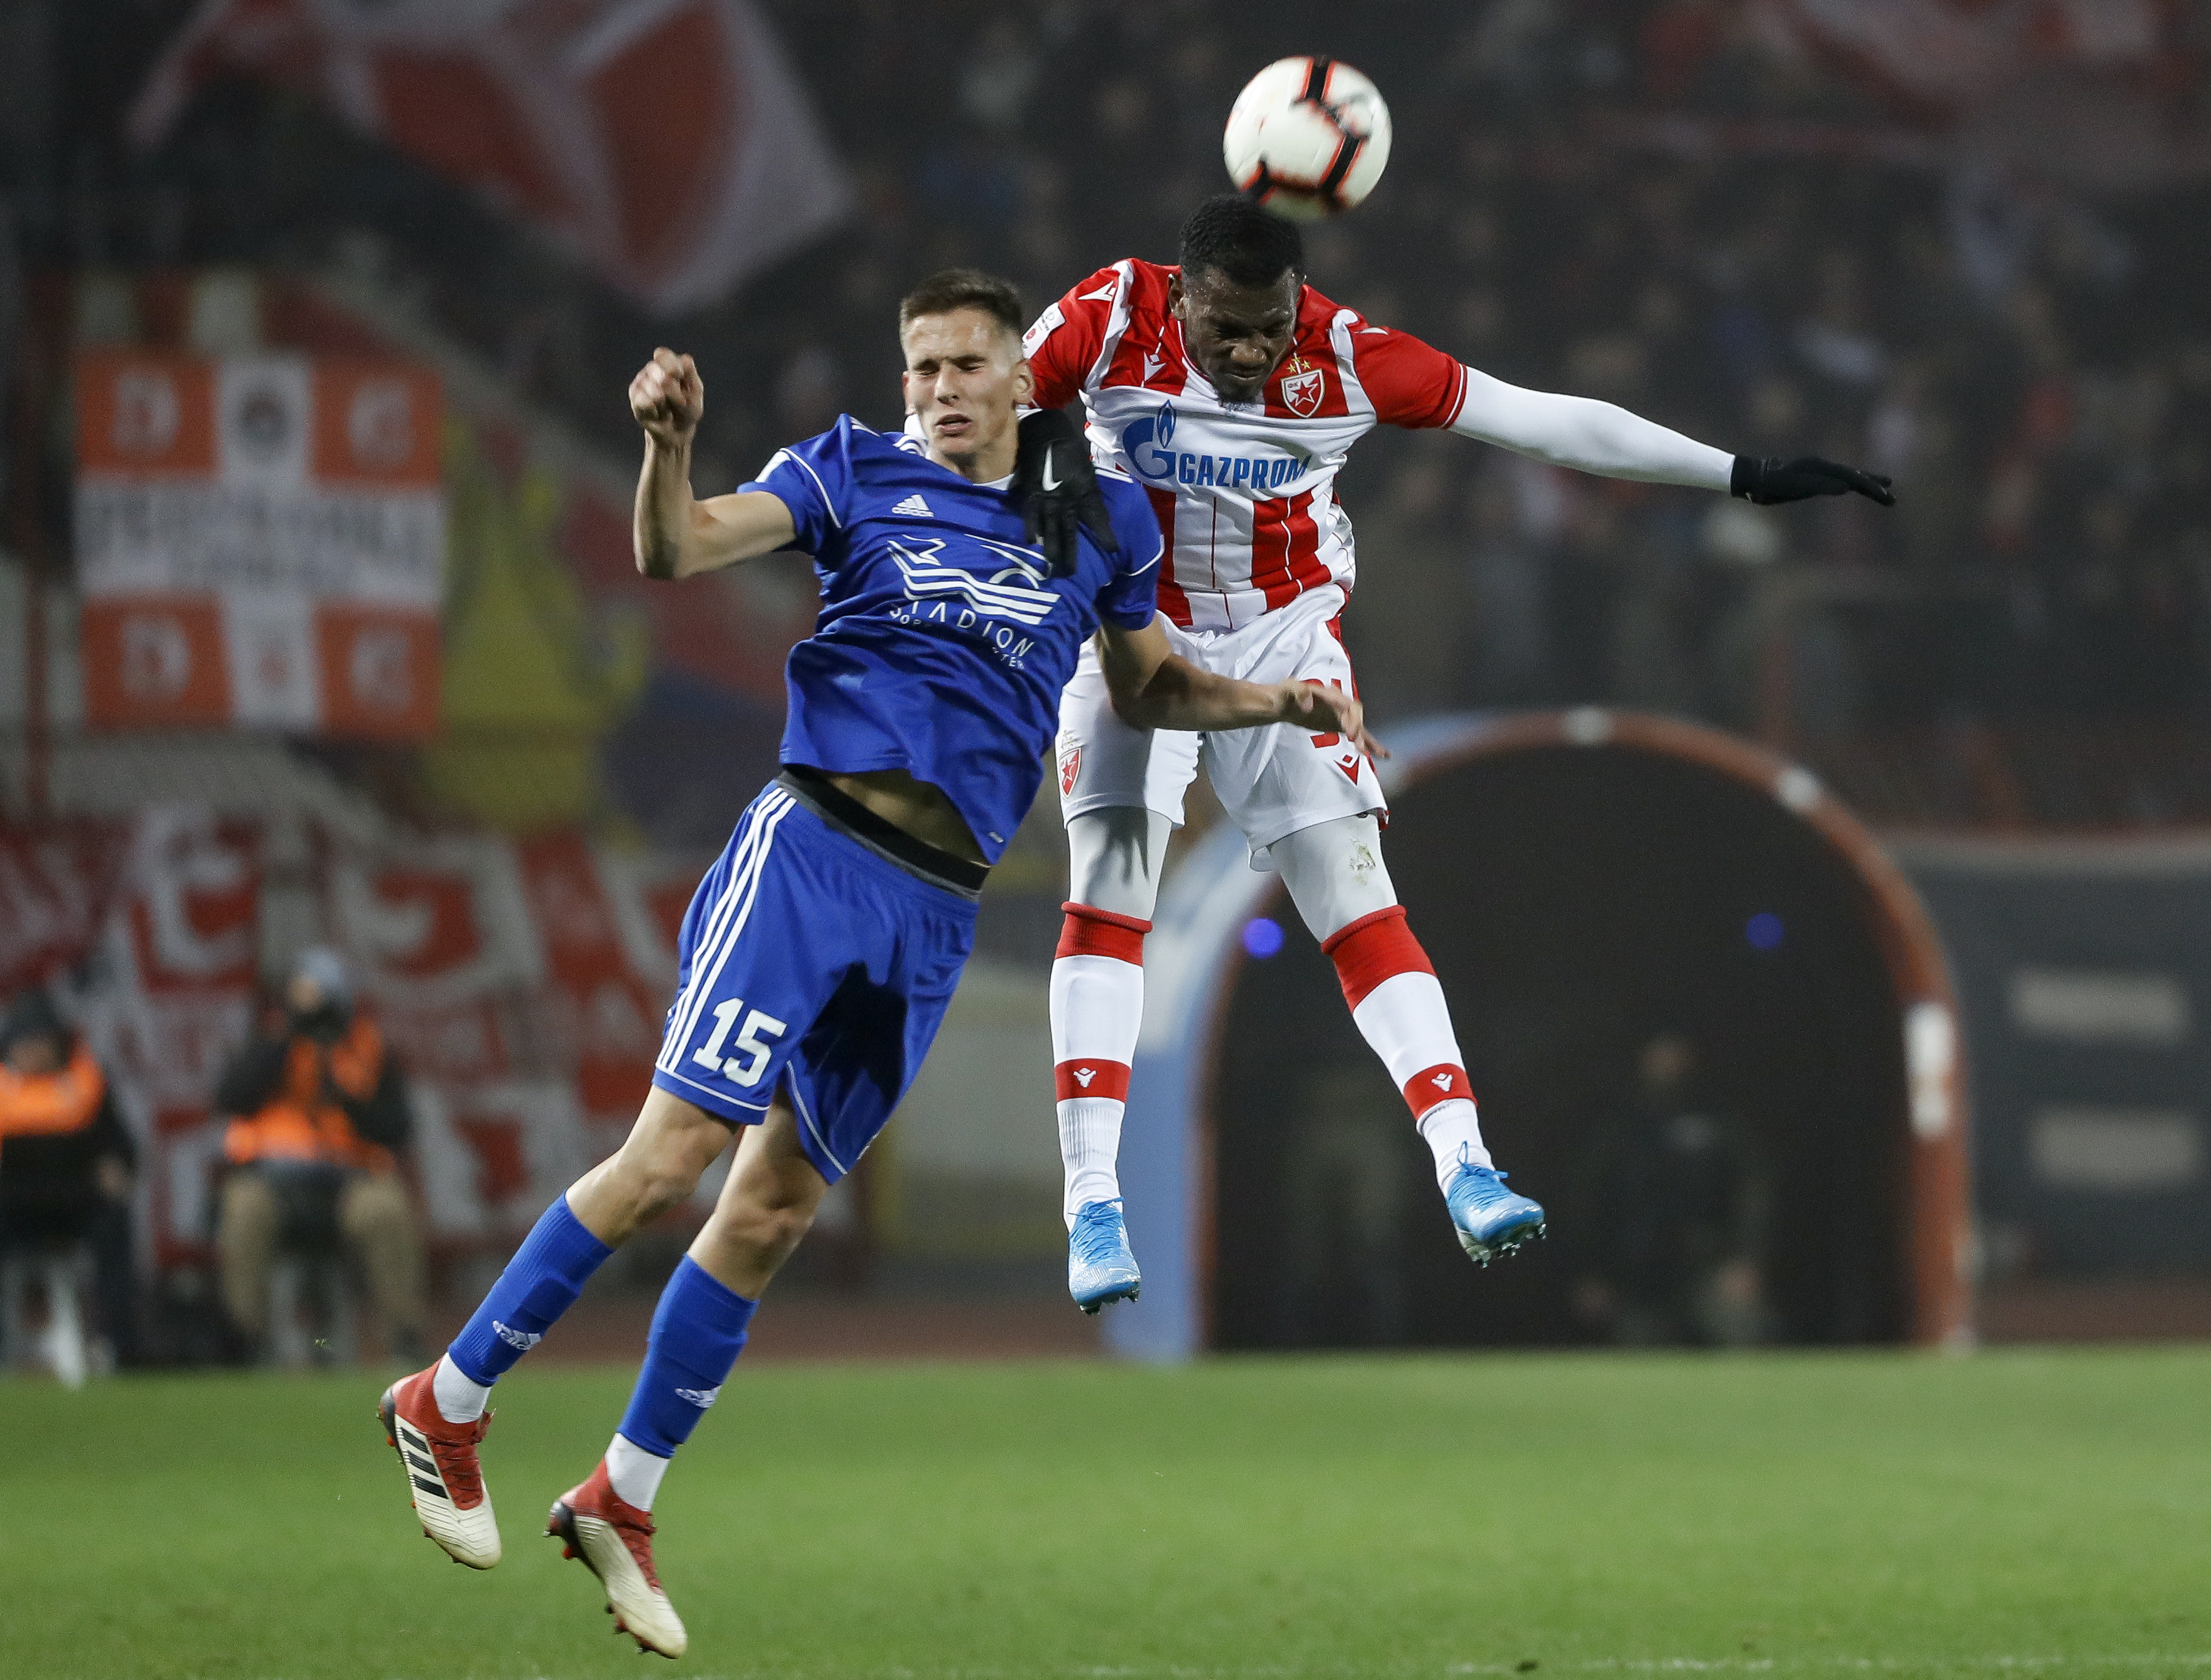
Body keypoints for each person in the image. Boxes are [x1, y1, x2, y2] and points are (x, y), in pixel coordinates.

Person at [375, 267, 1374, 1659]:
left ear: (1024, 377)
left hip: (937, 906)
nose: (938, 392)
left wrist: (1284, 693)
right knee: (674, 1155)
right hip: (814, 852)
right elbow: (679, 552)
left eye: (964, 366)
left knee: (775, 1207)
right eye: (920, 369)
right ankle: (451, 1395)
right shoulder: (849, 470)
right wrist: (668, 449)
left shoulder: (1095, 516)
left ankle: (624, 1494)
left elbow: (1148, 683)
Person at [1023, 195, 1894, 1311]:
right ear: (1181, 294)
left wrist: (1739, 472)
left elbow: (1544, 422)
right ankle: (1091, 1199)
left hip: (1282, 640)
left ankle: (1463, 1159)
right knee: (1108, 890)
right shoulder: (1108, 312)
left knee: (1356, 900)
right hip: (1129, 632)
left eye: (1269, 323)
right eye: (1225, 328)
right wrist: (1045, 472)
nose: (1250, 350)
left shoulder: (1345, 354)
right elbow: (1001, 400)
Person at [212, 947, 427, 1363]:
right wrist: (289, 1040)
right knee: (242, 1209)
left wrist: (345, 1090)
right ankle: (247, 1340)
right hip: (274, 1182)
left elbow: (397, 1127)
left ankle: (403, 1337)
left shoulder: (366, 1046)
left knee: (387, 1210)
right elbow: (232, 1097)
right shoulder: (270, 1041)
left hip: (349, 1182)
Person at [1570, 1033, 1773, 1347]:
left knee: (1740, 1331)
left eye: (1674, 1055)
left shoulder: (1719, 1125)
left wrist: (1746, 1260)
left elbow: (1750, 1195)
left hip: (1707, 1263)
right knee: (1634, 1364)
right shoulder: (1619, 1131)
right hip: (1636, 1271)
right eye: (1658, 1055)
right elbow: (1588, 1202)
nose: (1666, 1064)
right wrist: (1591, 1272)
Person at [0, 988, 138, 1368]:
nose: (31, 1052)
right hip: (14, 1205)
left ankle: (118, 1344)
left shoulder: (85, 1085)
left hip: (78, 1203)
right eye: (24, 1043)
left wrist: (117, 1166)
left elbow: (121, 1145)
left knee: (115, 1224)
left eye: (40, 1042)